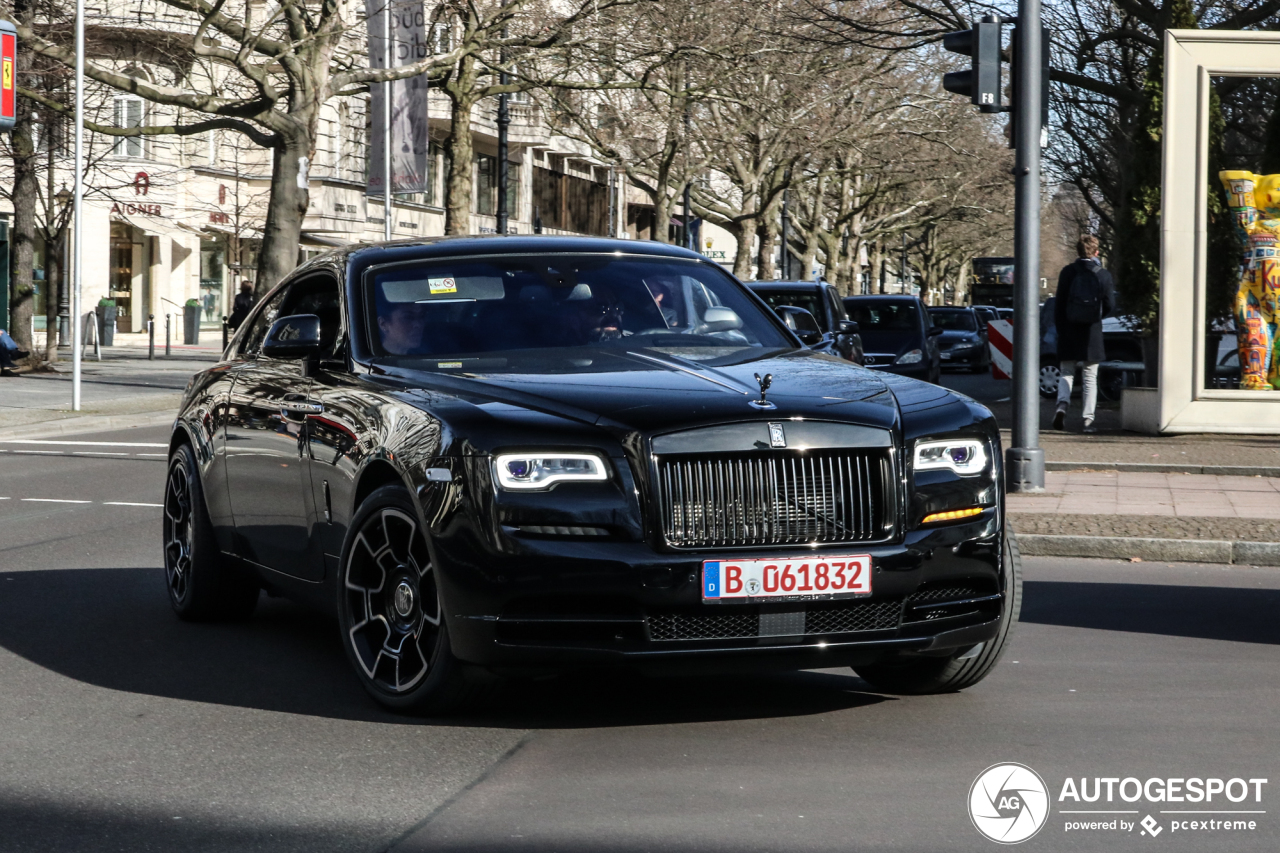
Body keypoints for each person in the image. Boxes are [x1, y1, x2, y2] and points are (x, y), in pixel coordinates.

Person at [1053, 234, 1115, 433]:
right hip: (1092, 332)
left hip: (1069, 329)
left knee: (1066, 373)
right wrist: (1095, 316)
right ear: (1096, 252)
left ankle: (1062, 407)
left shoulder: (1067, 272)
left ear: (1077, 251)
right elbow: (1110, 305)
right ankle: (1087, 420)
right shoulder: (1103, 275)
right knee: (1090, 377)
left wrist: (1061, 328)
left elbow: (1059, 304)